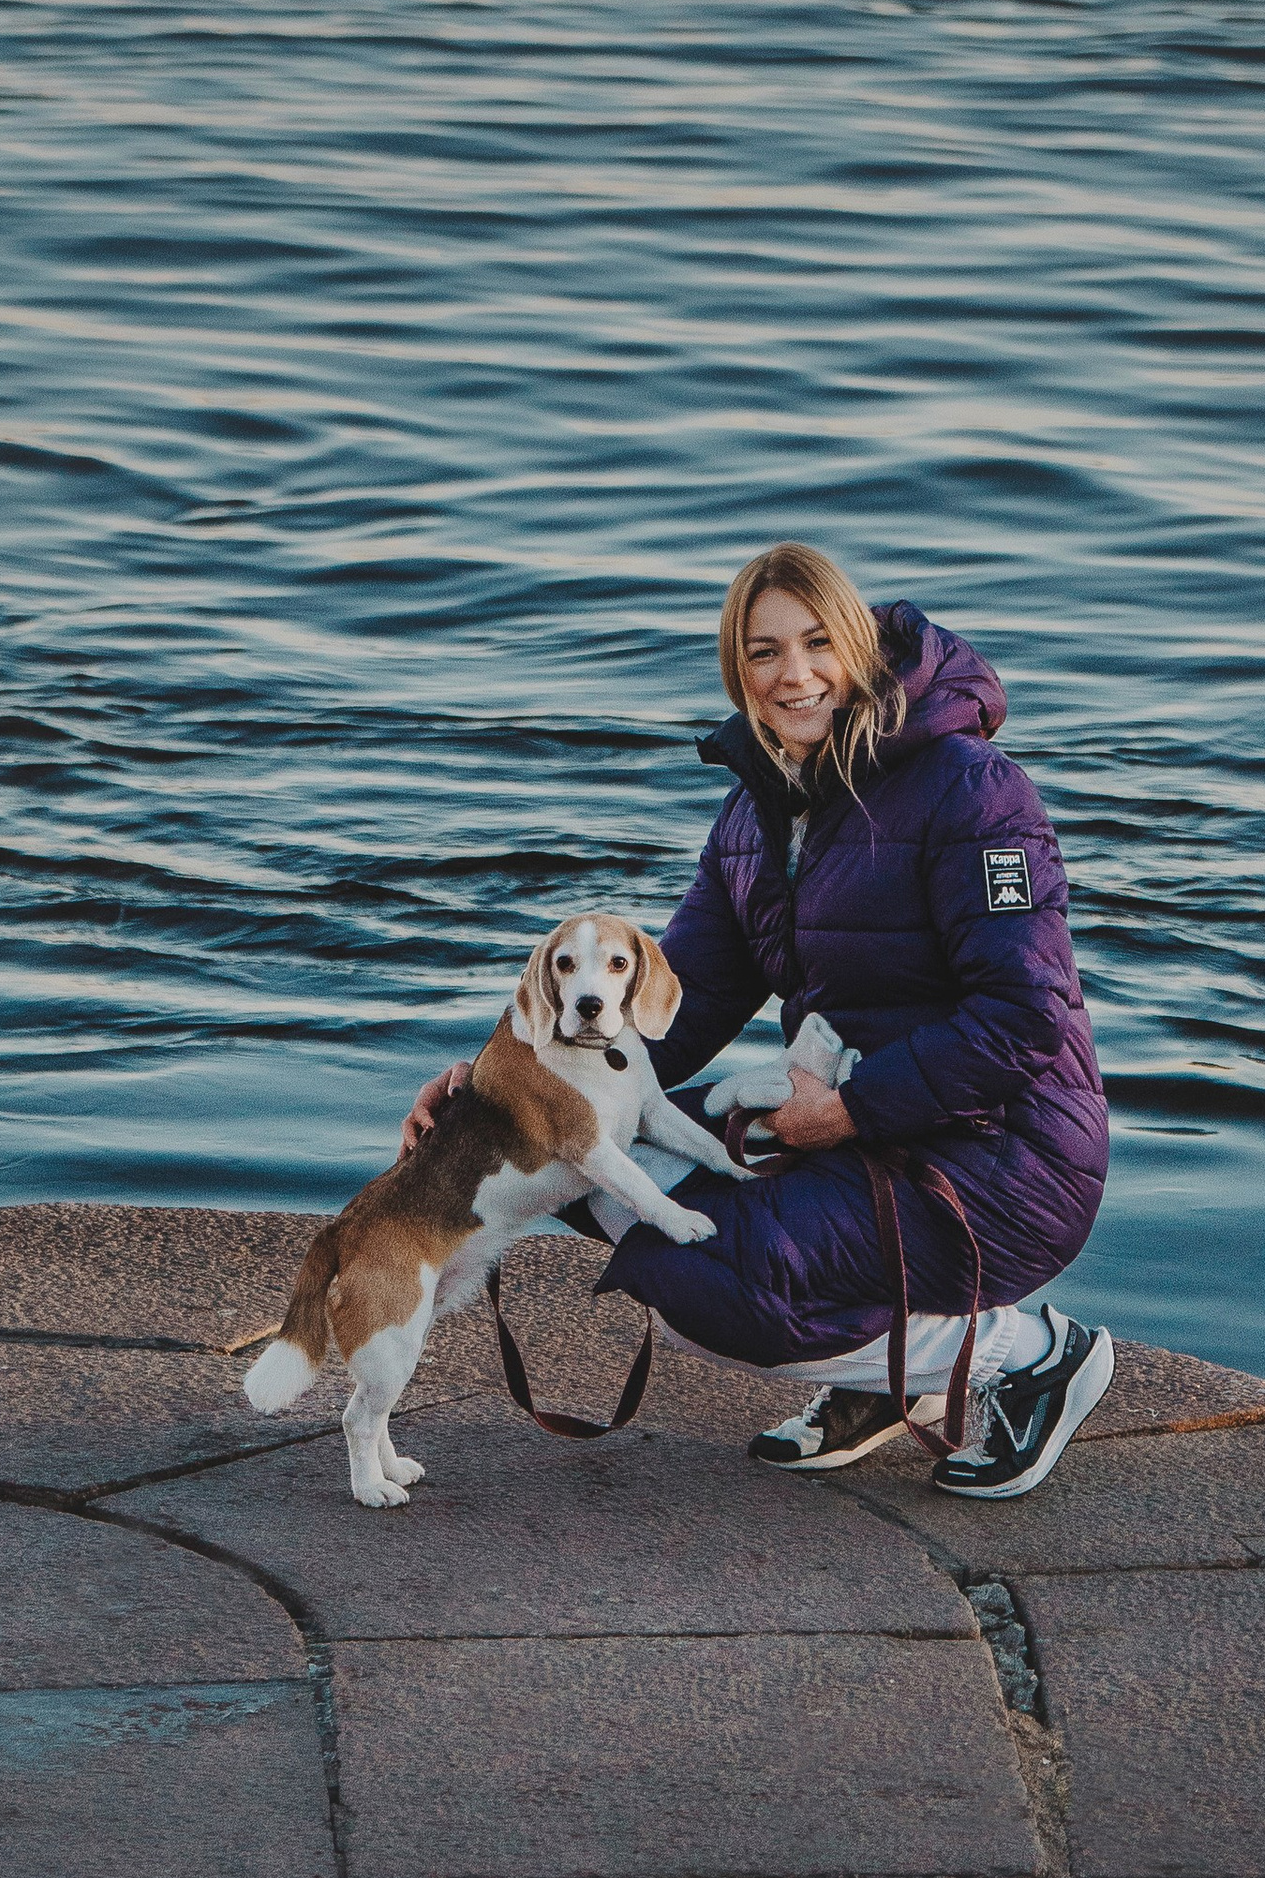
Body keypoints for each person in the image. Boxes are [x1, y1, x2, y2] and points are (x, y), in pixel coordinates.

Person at [402, 543, 1113, 1498]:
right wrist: (491, 1091)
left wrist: (852, 1110)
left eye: (818, 644)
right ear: (738, 671)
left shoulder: (972, 789)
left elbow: (1023, 1019)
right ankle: (883, 1382)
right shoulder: (751, 819)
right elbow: (669, 1009)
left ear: (858, 648)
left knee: (714, 1284)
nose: (794, 674)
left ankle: (1024, 1356)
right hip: (848, 1132)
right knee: (555, 1154)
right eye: (764, 651)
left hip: (1004, 1156)